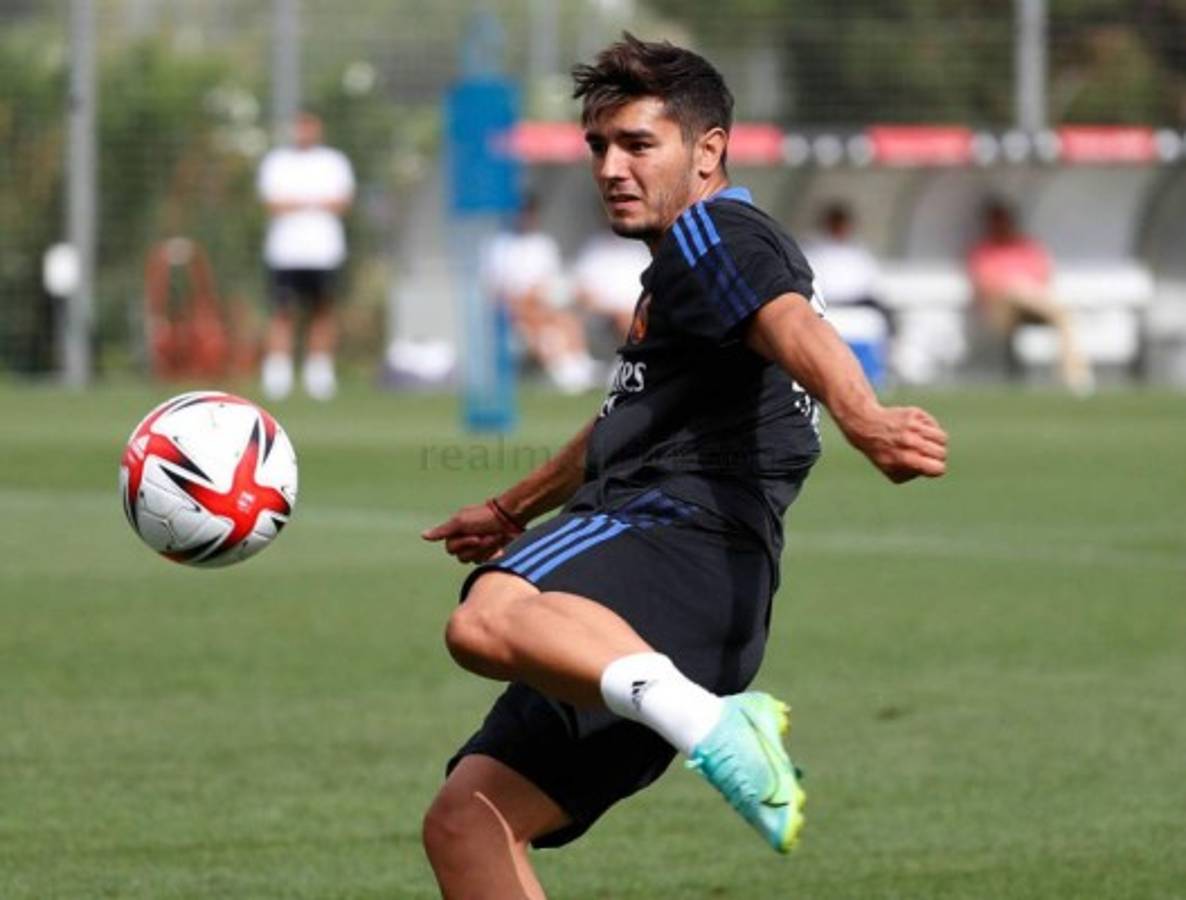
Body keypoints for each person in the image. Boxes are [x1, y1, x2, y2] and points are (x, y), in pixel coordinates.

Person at [421, 34, 948, 897]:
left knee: (487, 618)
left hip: (669, 542)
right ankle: (700, 712)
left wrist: (867, 418)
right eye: (598, 146)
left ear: (708, 151)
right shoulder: (687, 266)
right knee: (469, 822)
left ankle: (714, 725)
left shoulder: (714, 232)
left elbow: (793, 323)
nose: (611, 168)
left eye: (638, 144)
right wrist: (513, 506)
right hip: (700, 607)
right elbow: (627, 418)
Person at [257, 111, 355, 401]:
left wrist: (299, 202)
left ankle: (319, 373)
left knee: (323, 310)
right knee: (282, 311)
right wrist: (315, 201)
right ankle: (278, 374)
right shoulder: (277, 162)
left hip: (323, 252)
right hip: (285, 253)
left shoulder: (334, 162)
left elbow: (340, 202)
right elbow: (273, 204)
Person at [966, 199, 1094, 394]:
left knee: (1062, 316)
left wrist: (1022, 289)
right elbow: (986, 285)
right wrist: (1016, 287)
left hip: (1032, 304)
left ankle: (1074, 376)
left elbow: (1043, 277)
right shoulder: (984, 251)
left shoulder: (1027, 247)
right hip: (1002, 309)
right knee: (1018, 291)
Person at [482, 196, 599, 394]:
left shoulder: (544, 244)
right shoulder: (498, 246)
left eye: (529, 212)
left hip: (543, 308)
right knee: (541, 320)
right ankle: (567, 371)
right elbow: (494, 292)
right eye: (521, 212)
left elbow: (551, 285)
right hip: (512, 312)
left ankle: (578, 364)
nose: (525, 217)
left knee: (564, 322)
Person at [803, 202, 894, 386]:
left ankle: (876, 374)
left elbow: (870, 286)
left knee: (879, 321)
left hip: (858, 308)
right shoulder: (813, 251)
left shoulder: (858, 253)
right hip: (827, 308)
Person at [570, 226, 652, 341]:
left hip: (636, 317)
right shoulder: (594, 248)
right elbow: (581, 294)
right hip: (600, 319)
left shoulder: (644, 250)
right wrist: (614, 313)